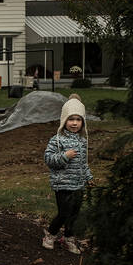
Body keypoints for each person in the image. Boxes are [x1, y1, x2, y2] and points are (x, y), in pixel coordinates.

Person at [42, 94, 93, 254]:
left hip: (78, 184)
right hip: (62, 184)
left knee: (74, 214)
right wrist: (65, 156)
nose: (74, 123)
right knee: (64, 213)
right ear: (65, 120)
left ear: (82, 122)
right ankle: (50, 235)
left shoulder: (82, 141)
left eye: (78, 120)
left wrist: (88, 177)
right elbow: (48, 159)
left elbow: (84, 163)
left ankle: (68, 238)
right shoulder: (57, 140)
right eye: (71, 119)